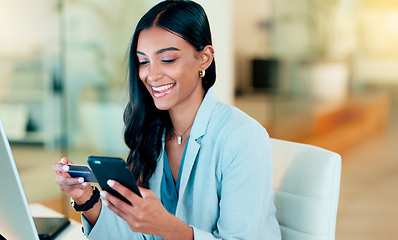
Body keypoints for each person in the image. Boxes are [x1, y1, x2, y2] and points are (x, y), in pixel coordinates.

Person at [53, 1, 281, 239]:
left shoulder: (242, 136)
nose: (152, 75)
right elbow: (139, 234)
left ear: (204, 58)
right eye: (143, 61)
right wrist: (86, 200)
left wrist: (167, 227)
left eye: (168, 59)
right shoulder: (154, 132)